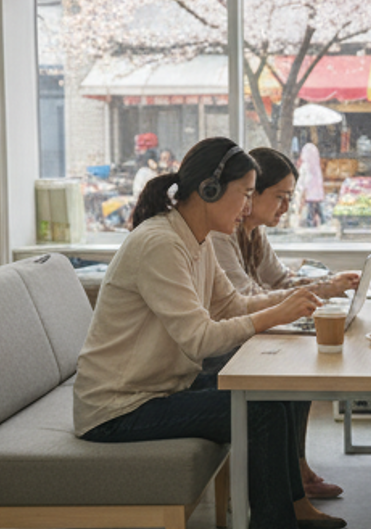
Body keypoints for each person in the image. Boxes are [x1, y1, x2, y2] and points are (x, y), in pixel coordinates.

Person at [73, 136, 346, 529]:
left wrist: (295, 299)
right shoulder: (161, 244)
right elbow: (200, 338)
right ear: (209, 190)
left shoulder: (195, 239)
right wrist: (276, 313)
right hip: (119, 409)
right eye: (246, 194)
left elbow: (231, 305)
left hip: (161, 387)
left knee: (275, 392)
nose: (249, 207)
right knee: (262, 410)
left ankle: (293, 509)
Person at [210, 147, 360, 499]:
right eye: (279, 197)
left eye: (289, 199)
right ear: (251, 193)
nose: (285, 208)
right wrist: (318, 290)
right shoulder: (220, 236)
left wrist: (329, 286)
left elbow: (278, 282)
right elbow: (244, 300)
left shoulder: (253, 233)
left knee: (299, 367)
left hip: (244, 336)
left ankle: (298, 472)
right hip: (226, 345)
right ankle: (294, 480)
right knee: (293, 374)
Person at [298, 143, 325, 227]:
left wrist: (301, 192)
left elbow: (302, 181)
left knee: (310, 210)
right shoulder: (317, 167)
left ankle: (310, 222)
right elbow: (320, 181)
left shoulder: (305, 166)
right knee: (317, 208)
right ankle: (321, 221)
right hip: (317, 195)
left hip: (308, 194)